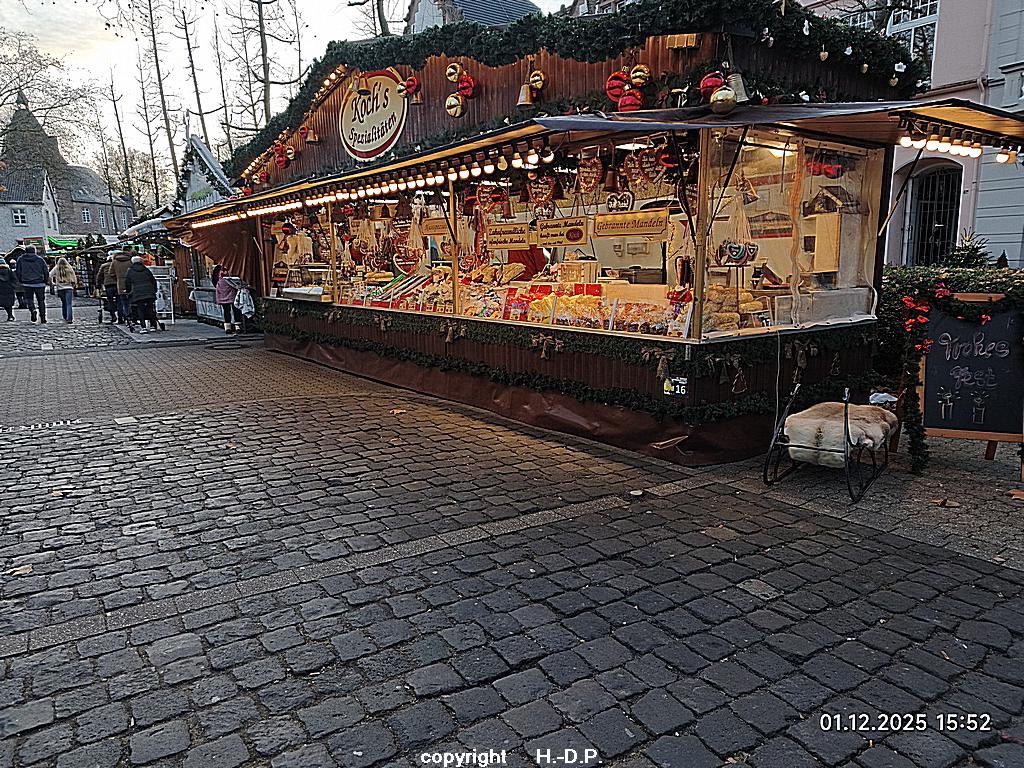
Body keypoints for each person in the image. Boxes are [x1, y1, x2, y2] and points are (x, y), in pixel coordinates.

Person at [124, 255, 164, 334]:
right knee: (150, 308)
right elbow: (153, 280)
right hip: (149, 292)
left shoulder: (130, 271)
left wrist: (128, 291)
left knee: (140, 309)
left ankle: (143, 327)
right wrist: (154, 290)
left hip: (138, 293)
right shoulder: (146, 270)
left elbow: (127, 282)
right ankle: (153, 326)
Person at [15, 245, 50, 323]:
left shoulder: (21, 259)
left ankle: (33, 310)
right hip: (40, 283)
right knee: (41, 301)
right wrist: (45, 280)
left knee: (29, 299)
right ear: (34, 251)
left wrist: (21, 280)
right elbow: (45, 271)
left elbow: (18, 271)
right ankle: (43, 317)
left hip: (27, 283)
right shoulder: (40, 259)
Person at [212, 264, 244, 334]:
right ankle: (235, 326)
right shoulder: (228, 268)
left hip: (226, 292)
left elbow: (214, 279)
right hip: (227, 291)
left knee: (231, 309)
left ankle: (230, 327)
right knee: (231, 309)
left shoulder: (219, 269)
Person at [49, 257, 79, 324]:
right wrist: (74, 285)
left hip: (60, 288)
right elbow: (74, 277)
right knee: (69, 304)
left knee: (64, 303)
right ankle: (69, 318)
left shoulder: (56, 268)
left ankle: (65, 316)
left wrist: (52, 283)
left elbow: (49, 275)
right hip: (69, 288)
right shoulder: (69, 268)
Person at [111, 250, 135, 329]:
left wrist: (118, 279)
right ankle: (133, 318)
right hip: (131, 284)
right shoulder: (130, 261)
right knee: (131, 301)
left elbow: (111, 273)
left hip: (120, 284)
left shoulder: (115, 262)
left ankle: (126, 318)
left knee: (123, 302)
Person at [95, 254, 118, 323]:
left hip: (108, 285)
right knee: (119, 300)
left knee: (110, 301)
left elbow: (99, 276)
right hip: (117, 284)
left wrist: (98, 284)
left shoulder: (103, 266)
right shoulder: (116, 265)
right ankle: (121, 316)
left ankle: (113, 315)